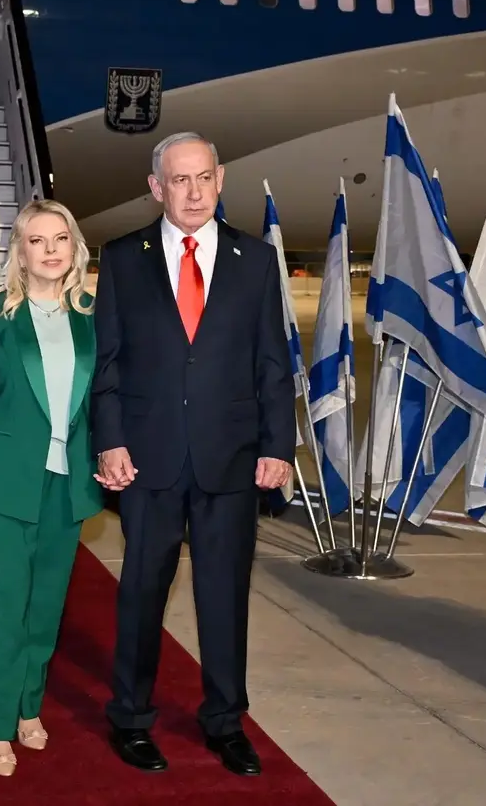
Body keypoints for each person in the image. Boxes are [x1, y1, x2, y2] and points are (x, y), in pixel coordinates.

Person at [92, 130, 295, 777]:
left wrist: (278, 445)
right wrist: (110, 438)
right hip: (147, 458)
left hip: (230, 458)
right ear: (156, 187)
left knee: (224, 595)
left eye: (202, 176)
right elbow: (108, 363)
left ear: (221, 178)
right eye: (178, 179)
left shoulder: (256, 260)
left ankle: (225, 720)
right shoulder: (124, 258)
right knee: (142, 594)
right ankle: (129, 716)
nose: (193, 190)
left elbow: (272, 362)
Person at [0, 198, 105, 778]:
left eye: (59, 239)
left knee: (44, 608)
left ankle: (27, 707)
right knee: (1, 607)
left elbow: (101, 397)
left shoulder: (90, 313)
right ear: (19, 250)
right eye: (36, 240)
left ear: (74, 248)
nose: (49, 250)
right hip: (4, 484)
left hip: (67, 485)